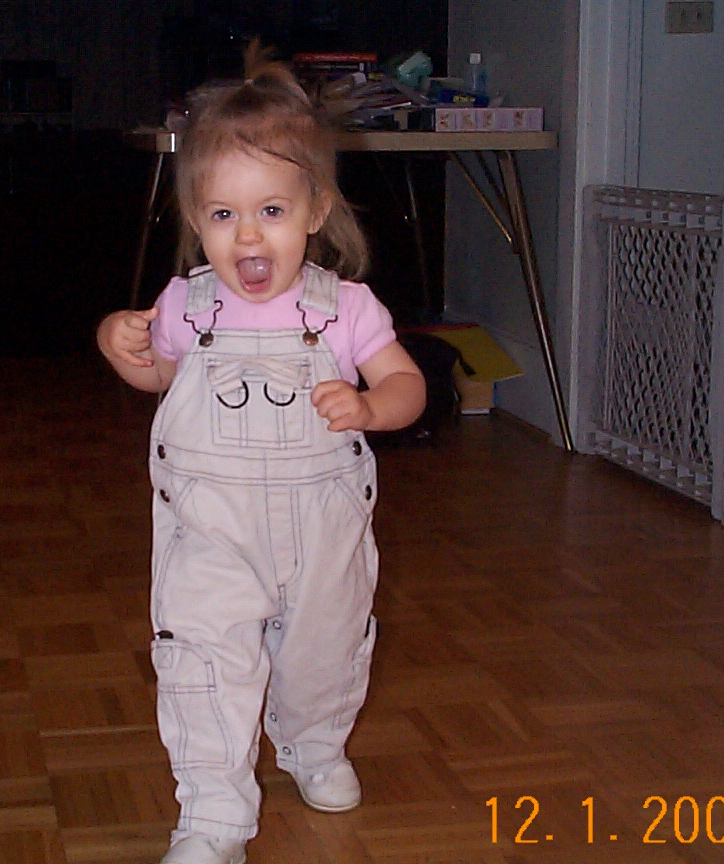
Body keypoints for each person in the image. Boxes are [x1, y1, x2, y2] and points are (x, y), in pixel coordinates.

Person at [97, 41, 426, 864]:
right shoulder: (186, 305)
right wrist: (118, 345)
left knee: (324, 653)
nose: (247, 234)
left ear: (315, 210)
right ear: (195, 219)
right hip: (212, 525)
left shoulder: (344, 309)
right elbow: (162, 378)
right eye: (222, 215)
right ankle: (212, 811)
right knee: (205, 658)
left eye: (271, 210)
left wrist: (369, 406)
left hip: (322, 531)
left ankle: (313, 744)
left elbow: (408, 386)